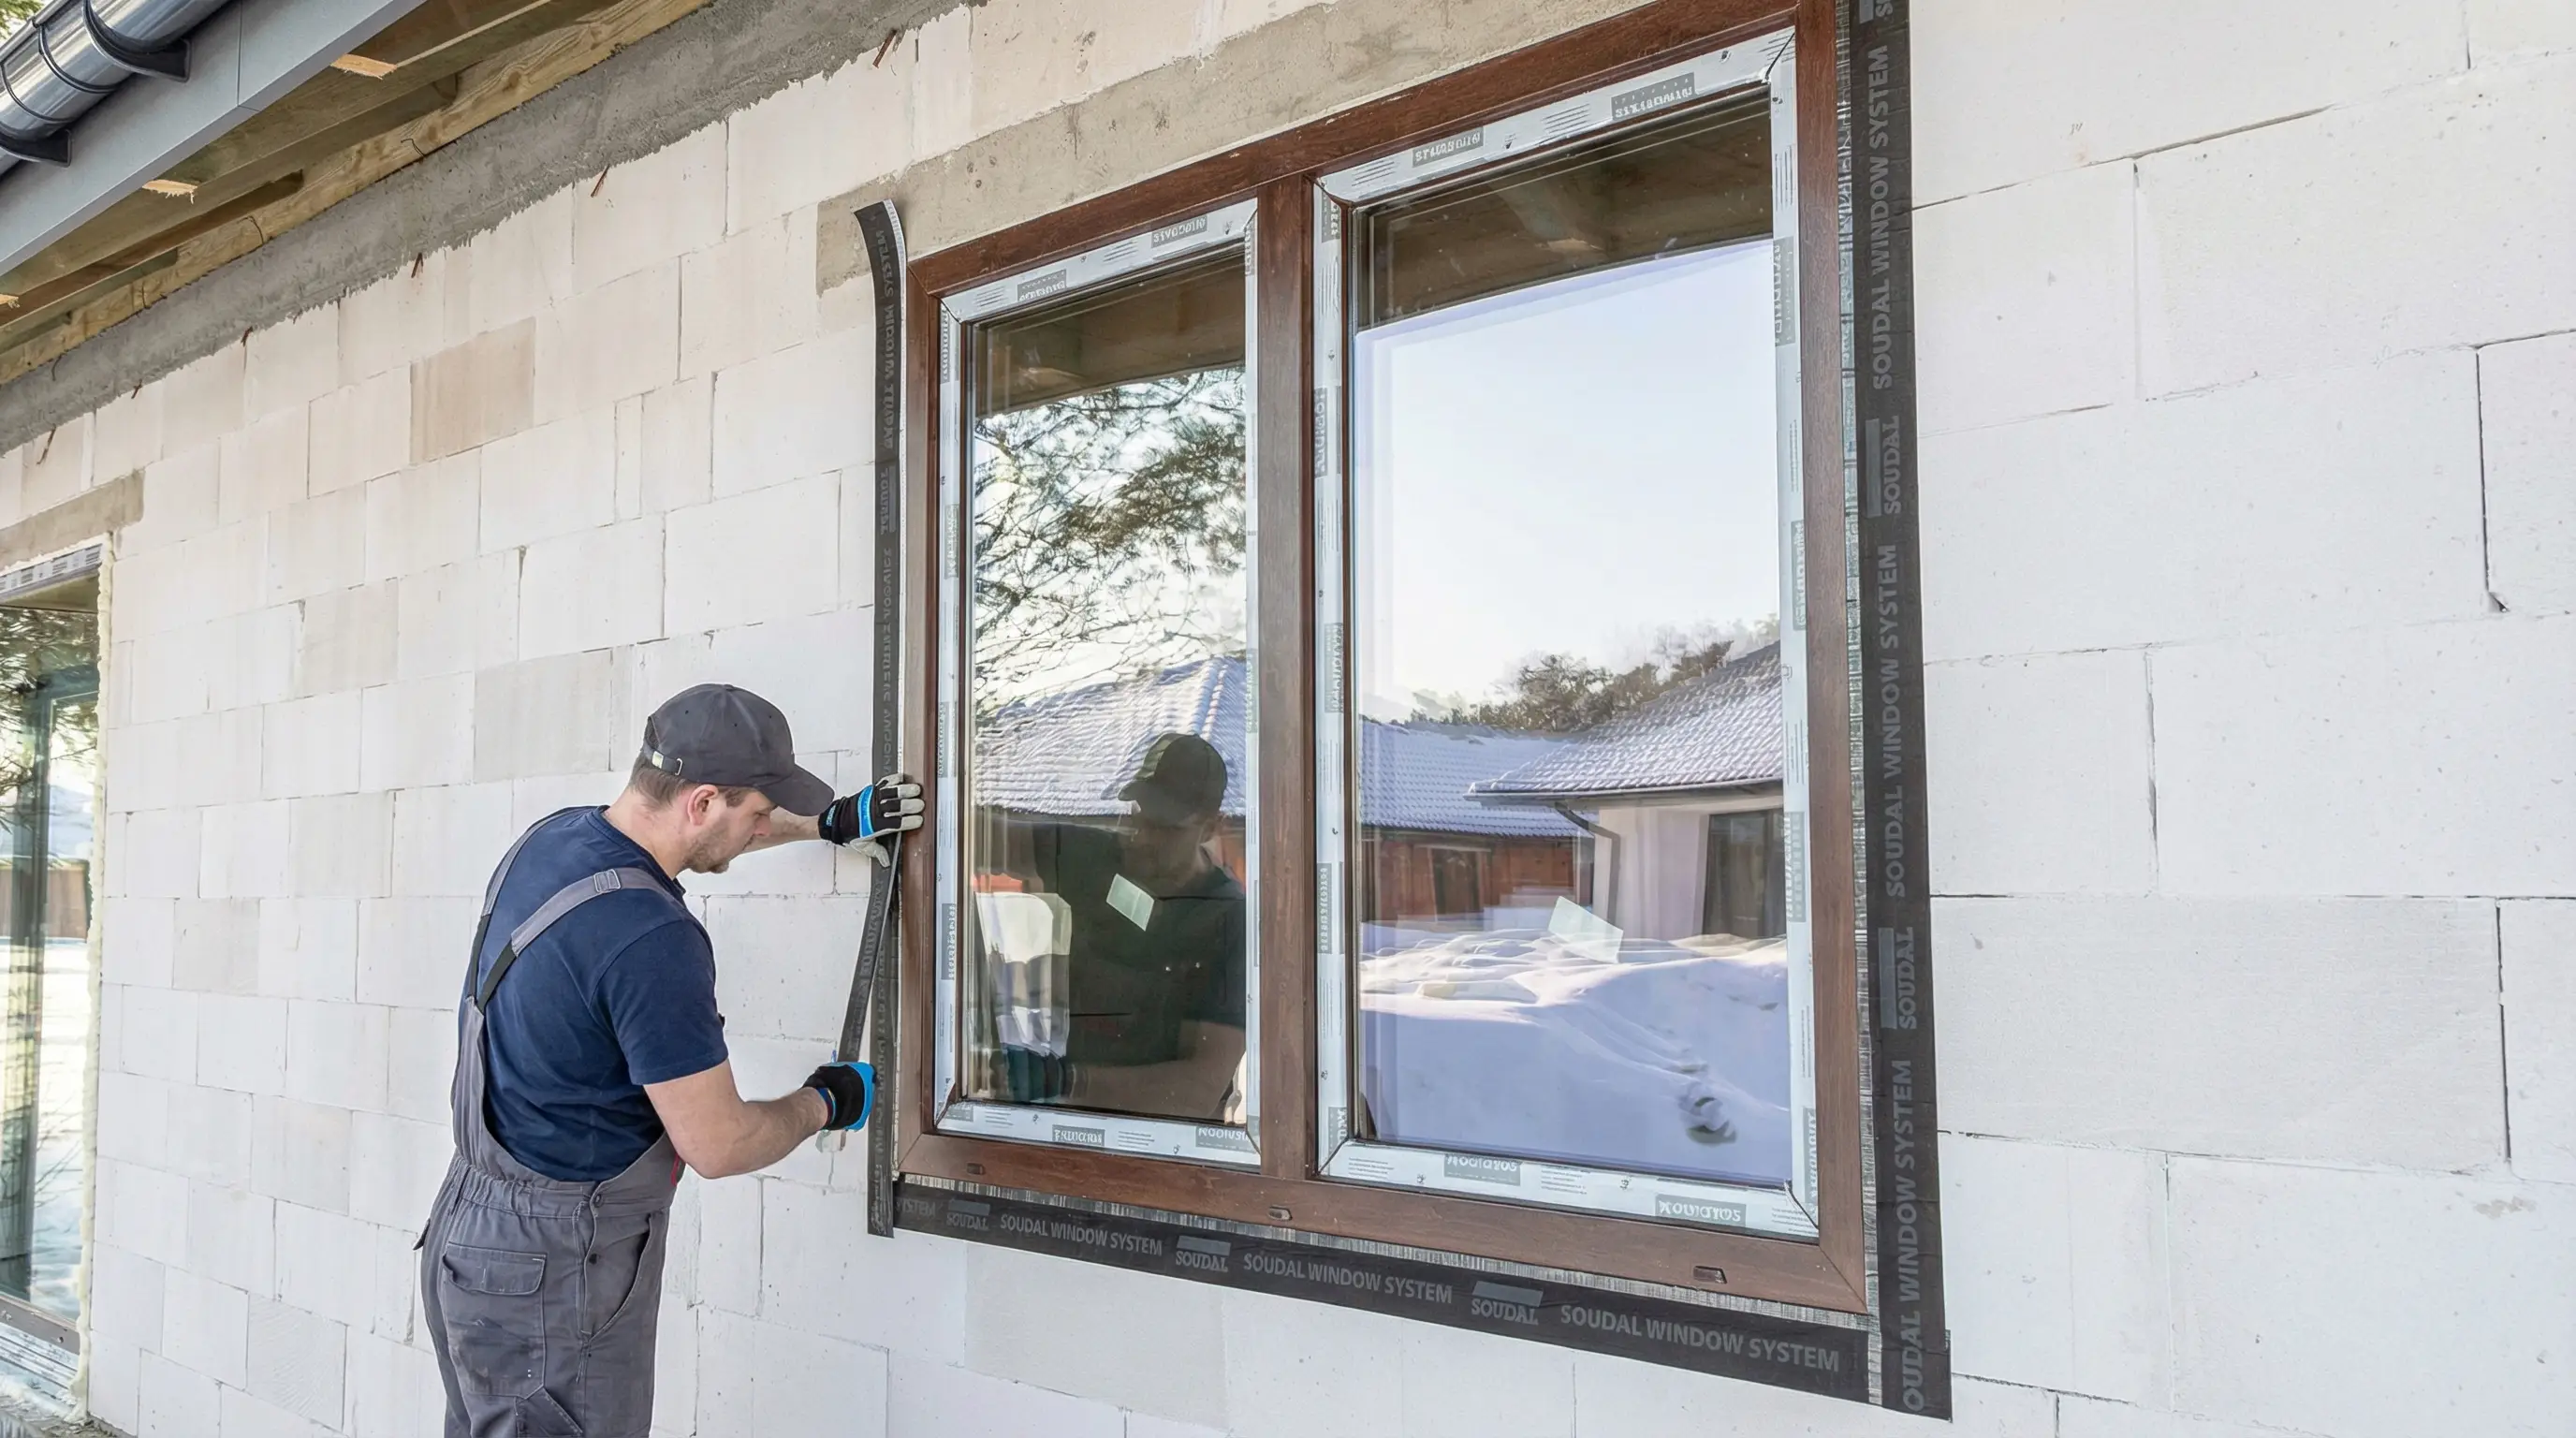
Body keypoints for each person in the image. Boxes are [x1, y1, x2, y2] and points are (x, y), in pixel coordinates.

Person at [417, 684, 922, 1436]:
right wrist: (826, 1099)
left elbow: (729, 827)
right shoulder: (652, 939)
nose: (760, 831)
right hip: (554, 1277)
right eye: (756, 815)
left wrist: (827, 823)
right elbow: (716, 1144)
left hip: (472, 1241)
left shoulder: (551, 841)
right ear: (703, 802)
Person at [979, 731, 1246, 1121]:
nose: (1145, 838)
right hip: (1075, 1130)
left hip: (1174, 1150)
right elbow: (985, 839)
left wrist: (1067, 1081)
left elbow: (1198, 1089)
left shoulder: (1228, 921)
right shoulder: (1098, 859)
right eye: (1140, 816)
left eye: (1167, 827)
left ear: (1210, 827)